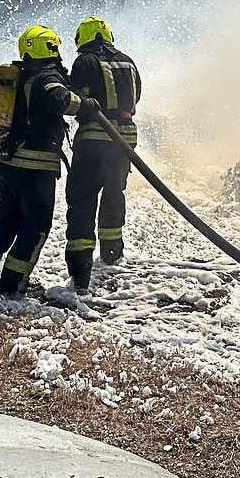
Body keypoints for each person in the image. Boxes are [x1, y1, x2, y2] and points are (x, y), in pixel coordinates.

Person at [0, 25, 85, 298]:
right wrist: (87, 104)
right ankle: (12, 285)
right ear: (51, 48)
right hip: (34, 167)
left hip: (7, 162)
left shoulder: (19, 75)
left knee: (6, 218)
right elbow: (61, 100)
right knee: (36, 226)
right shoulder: (47, 76)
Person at [64, 16, 141, 294]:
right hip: (125, 141)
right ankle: (112, 257)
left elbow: (78, 102)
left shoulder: (84, 61)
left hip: (94, 139)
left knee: (82, 200)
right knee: (113, 195)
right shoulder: (128, 61)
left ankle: (80, 269)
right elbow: (136, 99)